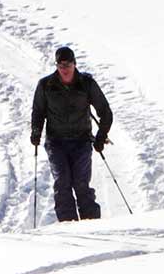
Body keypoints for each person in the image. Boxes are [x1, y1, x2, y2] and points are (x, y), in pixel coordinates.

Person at [31, 45, 114, 221]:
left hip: (81, 141)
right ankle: (69, 227)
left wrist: (100, 137)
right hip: (56, 142)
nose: (65, 69)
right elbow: (38, 111)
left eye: (68, 65)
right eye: (61, 66)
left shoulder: (86, 83)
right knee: (62, 183)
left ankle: (91, 225)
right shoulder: (46, 85)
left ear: (75, 64)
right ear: (56, 66)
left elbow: (105, 111)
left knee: (81, 184)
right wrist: (36, 131)